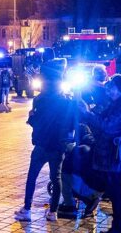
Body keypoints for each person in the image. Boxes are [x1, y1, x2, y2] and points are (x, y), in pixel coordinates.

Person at [15, 59, 76, 222]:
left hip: (42, 143)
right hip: (58, 145)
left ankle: (27, 209)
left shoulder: (40, 99)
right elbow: (71, 123)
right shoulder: (67, 100)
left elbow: (37, 122)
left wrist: (31, 118)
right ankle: (53, 212)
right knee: (56, 178)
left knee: (32, 175)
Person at [81, 73, 121, 233]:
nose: (109, 90)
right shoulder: (115, 104)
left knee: (115, 192)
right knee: (112, 190)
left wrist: (88, 114)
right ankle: (117, 229)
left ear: (119, 90)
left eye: (112, 88)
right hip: (107, 154)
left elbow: (107, 126)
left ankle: (119, 230)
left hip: (114, 156)